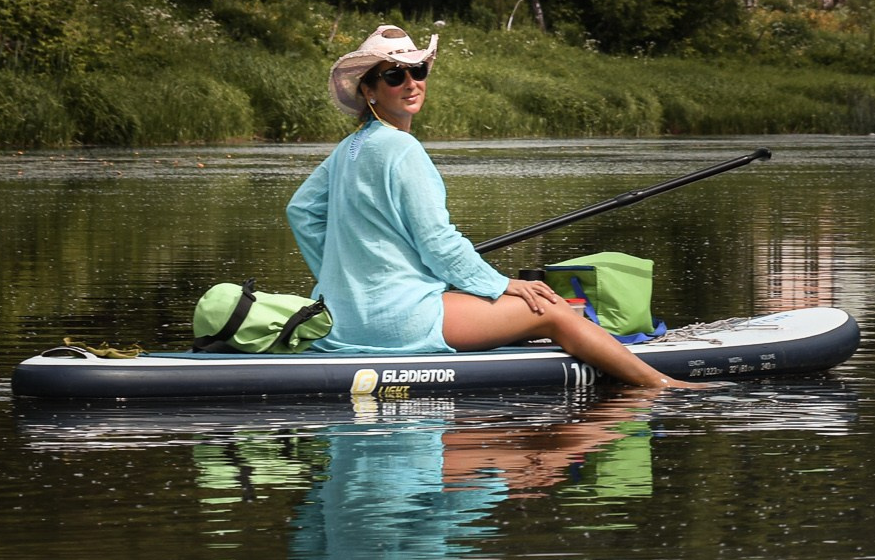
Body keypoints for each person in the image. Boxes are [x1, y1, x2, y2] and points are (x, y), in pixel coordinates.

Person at [285, 23, 708, 389]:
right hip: (397, 321)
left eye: (418, 70)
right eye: (395, 75)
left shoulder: (349, 148)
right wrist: (502, 284)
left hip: (341, 318)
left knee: (507, 310)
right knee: (552, 310)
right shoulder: (402, 148)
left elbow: (301, 212)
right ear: (369, 90)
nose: (411, 83)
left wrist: (345, 279)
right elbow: (438, 243)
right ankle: (662, 385)